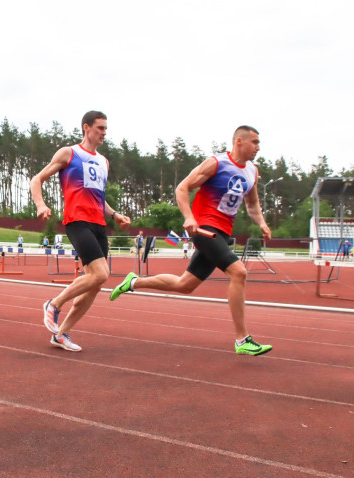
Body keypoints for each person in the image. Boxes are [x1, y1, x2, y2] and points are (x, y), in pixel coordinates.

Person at [110, 125, 273, 356]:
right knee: (239, 272)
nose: (258, 147)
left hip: (222, 233)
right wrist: (189, 217)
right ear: (239, 141)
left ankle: (133, 282)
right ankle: (242, 339)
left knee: (184, 284)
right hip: (204, 228)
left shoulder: (252, 172)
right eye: (255, 142)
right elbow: (182, 187)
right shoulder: (216, 163)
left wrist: (263, 223)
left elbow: (252, 204)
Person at [30, 110, 131, 352]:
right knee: (100, 275)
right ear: (86, 128)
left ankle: (61, 334)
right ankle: (53, 304)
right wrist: (40, 204)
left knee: (94, 283)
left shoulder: (104, 161)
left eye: (106, 129)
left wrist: (115, 214)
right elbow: (37, 179)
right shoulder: (69, 153)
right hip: (77, 220)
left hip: (99, 224)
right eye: (100, 128)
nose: (104, 133)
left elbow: (99, 197)